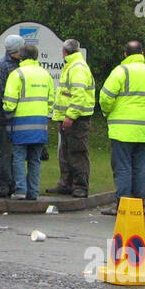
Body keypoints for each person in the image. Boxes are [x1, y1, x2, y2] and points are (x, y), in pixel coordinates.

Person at [98, 40, 145, 213]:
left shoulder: (121, 71)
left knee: (123, 167)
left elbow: (105, 96)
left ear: (125, 55)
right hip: (143, 127)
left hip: (121, 128)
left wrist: (109, 112)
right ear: (142, 54)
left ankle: (123, 205)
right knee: (139, 166)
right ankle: (138, 204)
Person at [2, 42, 54, 205]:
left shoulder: (18, 74)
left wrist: (5, 110)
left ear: (21, 55)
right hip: (40, 123)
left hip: (20, 123)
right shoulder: (45, 74)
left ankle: (20, 190)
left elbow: (10, 102)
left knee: (18, 157)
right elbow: (51, 100)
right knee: (35, 159)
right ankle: (33, 191)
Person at [52, 38, 95, 198]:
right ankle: (66, 183)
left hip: (76, 119)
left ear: (64, 52)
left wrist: (70, 116)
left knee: (77, 153)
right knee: (65, 151)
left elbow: (78, 95)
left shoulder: (76, 68)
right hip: (70, 117)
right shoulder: (73, 65)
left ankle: (80, 186)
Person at [0, 35, 23, 198]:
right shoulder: (3, 66)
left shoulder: (18, 66)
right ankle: (3, 185)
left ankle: (12, 183)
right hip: (5, 117)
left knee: (15, 153)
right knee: (6, 152)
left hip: (17, 116)